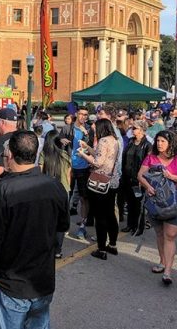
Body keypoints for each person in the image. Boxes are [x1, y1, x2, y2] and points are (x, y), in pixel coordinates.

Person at [0, 131, 69, 329]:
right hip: (42, 280)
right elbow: (62, 226)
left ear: (9, 155)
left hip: (13, 282)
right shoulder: (55, 187)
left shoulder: (2, 191)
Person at [137, 130, 177, 285]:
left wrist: (171, 176)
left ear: (170, 143)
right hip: (155, 203)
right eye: (158, 141)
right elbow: (140, 175)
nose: (159, 144)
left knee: (170, 235)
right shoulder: (151, 158)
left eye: (163, 141)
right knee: (160, 233)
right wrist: (147, 187)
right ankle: (162, 262)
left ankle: (168, 271)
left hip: (174, 203)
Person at [79, 118, 120, 260]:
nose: (93, 130)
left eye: (95, 128)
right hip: (112, 182)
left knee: (100, 215)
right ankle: (113, 245)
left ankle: (101, 249)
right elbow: (101, 155)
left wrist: (83, 154)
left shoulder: (103, 141)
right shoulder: (114, 140)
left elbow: (97, 162)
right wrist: (88, 147)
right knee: (110, 214)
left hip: (99, 183)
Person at [38, 130, 72, 258]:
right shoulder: (65, 155)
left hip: (47, 191)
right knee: (60, 221)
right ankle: (58, 250)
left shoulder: (44, 155)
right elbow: (69, 177)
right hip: (63, 191)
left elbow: (40, 173)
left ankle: (47, 248)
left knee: (48, 220)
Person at [121, 120, 152, 233]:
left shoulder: (147, 145)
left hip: (139, 179)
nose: (132, 130)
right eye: (132, 128)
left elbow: (148, 164)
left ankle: (138, 226)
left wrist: (142, 179)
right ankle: (130, 224)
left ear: (142, 130)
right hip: (127, 177)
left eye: (135, 128)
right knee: (129, 202)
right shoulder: (130, 142)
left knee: (138, 203)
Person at [70, 106, 91, 240]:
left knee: (84, 198)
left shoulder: (88, 130)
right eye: (81, 114)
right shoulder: (69, 128)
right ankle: (63, 225)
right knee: (67, 194)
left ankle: (82, 226)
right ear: (77, 114)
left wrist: (87, 135)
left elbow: (92, 149)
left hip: (83, 167)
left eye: (86, 115)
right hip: (70, 166)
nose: (83, 117)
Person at [0, 108, 18, 188]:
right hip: (20, 183)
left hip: (3, 185)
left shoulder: (3, 140)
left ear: (2, 122)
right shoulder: (22, 136)